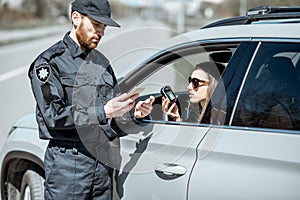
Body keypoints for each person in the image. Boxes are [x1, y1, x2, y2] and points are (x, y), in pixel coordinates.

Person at [28, 0, 154, 199]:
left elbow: (110, 123)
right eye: (96, 24)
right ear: (76, 18)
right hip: (68, 166)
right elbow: (54, 116)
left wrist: (133, 114)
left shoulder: (102, 64)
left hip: (103, 166)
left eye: (103, 27)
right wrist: (104, 111)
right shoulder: (49, 63)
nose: (101, 32)